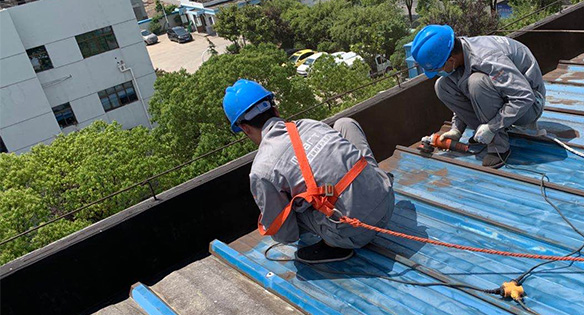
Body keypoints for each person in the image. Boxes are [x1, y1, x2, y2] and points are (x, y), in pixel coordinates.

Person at [223, 79, 395, 264]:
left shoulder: (262, 169)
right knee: (344, 124)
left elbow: (286, 235)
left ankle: (334, 244)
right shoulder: (310, 124)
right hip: (386, 198)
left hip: (356, 233)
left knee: (290, 212)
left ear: (245, 129)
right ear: (275, 110)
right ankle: (370, 187)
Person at [410, 25, 547, 168]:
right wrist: (456, 129)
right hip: (505, 98)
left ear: (451, 60)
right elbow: (461, 88)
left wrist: (493, 127)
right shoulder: (460, 54)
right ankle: (484, 133)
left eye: (439, 69)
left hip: (530, 106)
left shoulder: (487, 58)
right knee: (443, 86)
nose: (440, 72)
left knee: (476, 82)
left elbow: (524, 97)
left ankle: (499, 147)